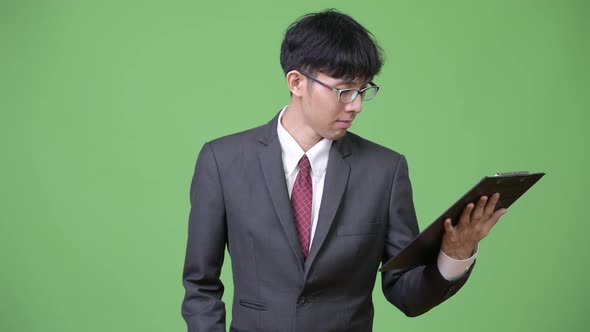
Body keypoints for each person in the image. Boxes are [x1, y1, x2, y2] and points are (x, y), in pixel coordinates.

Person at [181, 9, 506, 332]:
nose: (356, 105)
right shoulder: (221, 161)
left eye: (363, 90)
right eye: (344, 90)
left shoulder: (385, 171)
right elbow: (200, 285)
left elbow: (407, 293)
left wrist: (453, 256)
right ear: (296, 83)